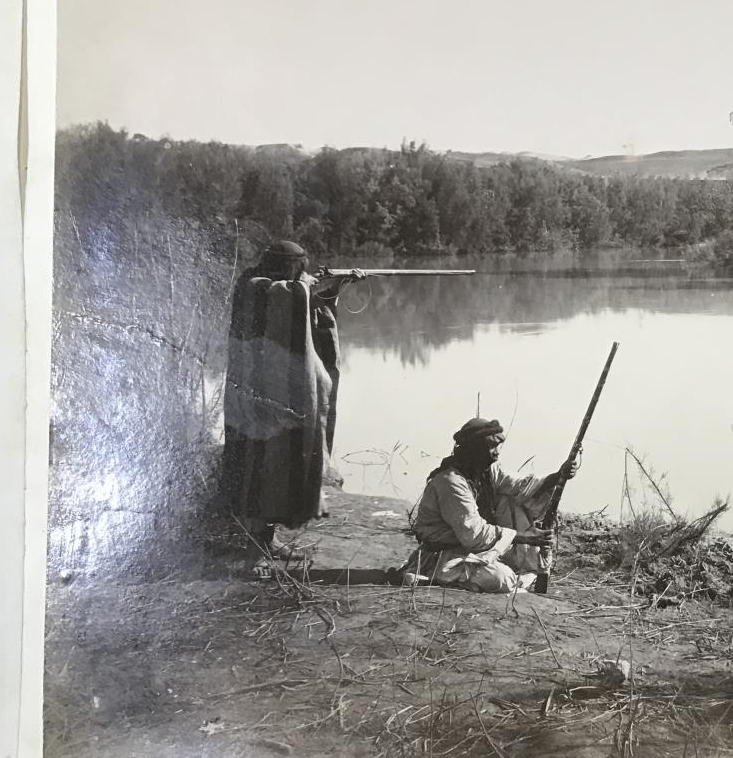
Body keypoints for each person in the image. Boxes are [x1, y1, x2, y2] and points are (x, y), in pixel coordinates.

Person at [222, 239, 363, 563]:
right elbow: (292, 298)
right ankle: (254, 549)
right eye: (298, 268)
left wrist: (338, 283)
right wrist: (306, 285)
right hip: (256, 399)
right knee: (258, 467)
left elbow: (312, 305)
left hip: (282, 398)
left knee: (282, 465)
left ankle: (268, 540)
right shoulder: (254, 286)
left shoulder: (287, 288)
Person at [402, 417, 582, 593]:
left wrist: (558, 476)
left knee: (510, 498)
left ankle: (513, 569)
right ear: (474, 449)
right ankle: (429, 578)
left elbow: (521, 486)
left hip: (474, 547)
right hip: (443, 554)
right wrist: (524, 537)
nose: (496, 452)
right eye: (490, 446)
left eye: (497, 446)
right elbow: (474, 534)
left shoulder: (486, 472)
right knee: (503, 579)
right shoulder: (451, 482)